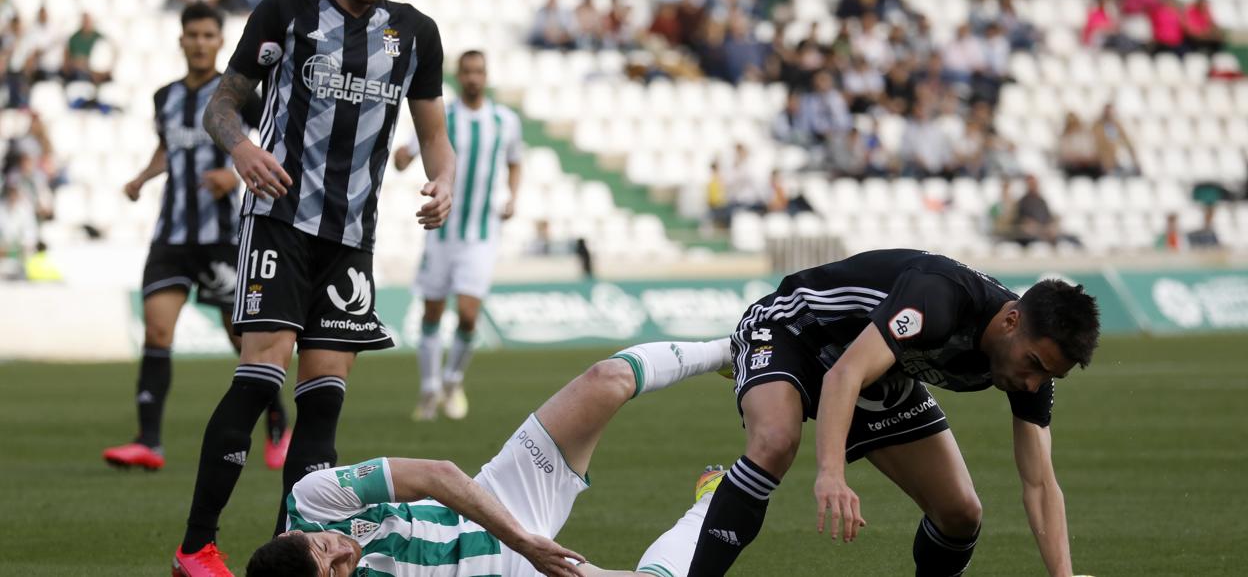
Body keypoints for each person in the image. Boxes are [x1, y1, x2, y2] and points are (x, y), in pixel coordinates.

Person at [173, 0, 455, 575]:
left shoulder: (414, 33)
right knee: (260, 371)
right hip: (281, 221)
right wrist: (241, 150)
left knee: (323, 402)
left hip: (352, 236)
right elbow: (222, 105)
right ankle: (197, 547)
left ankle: (288, 552)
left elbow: (436, 137)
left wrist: (444, 181)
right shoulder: (287, 13)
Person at [687, 249, 1101, 577]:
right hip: (795, 330)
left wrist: (1063, 576)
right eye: (1033, 364)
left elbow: (1040, 483)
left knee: (960, 513)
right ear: (1012, 320)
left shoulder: (1032, 369)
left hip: (875, 368)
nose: (1033, 383)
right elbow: (843, 375)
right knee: (775, 442)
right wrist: (831, 474)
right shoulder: (938, 299)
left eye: (1048, 375)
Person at [245, 338, 735, 576]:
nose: (343, 554)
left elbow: (438, 475)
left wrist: (525, 541)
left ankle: (733, 347)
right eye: (335, 572)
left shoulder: (313, 500)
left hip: (499, 499)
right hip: (507, 572)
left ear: (293, 533)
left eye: (324, 547)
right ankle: (710, 504)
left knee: (606, 380)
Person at [100, 2, 289, 474]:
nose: (201, 42)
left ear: (219, 41)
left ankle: (278, 423)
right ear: (181, 40)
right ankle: (149, 441)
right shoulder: (165, 97)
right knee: (157, 329)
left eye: (209, 35)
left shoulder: (241, 95)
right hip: (172, 236)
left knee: (241, 340)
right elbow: (168, 147)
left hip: (223, 237)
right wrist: (143, 177)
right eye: (193, 35)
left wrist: (233, 173)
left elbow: (272, 142)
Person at [394, 50, 522, 422]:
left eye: (479, 71)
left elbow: (515, 160)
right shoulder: (443, 116)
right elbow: (409, 152)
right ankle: (429, 389)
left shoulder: (505, 121)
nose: (473, 77)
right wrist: (401, 158)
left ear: (486, 75)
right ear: (458, 75)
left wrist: (513, 196)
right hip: (441, 231)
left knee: (468, 314)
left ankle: (452, 380)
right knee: (432, 310)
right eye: (466, 71)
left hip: (482, 234)